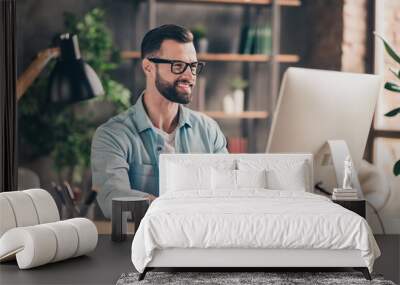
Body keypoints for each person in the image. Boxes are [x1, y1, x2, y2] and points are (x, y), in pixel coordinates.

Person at [91, 24, 228, 218]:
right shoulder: (112, 135)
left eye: (194, 66)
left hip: (202, 243)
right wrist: (177, 208)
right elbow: (113, 201)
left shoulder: (209, 130)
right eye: (178, 65)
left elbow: (229, 192)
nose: (189, 76)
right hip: (141, 246)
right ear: (148, 67)